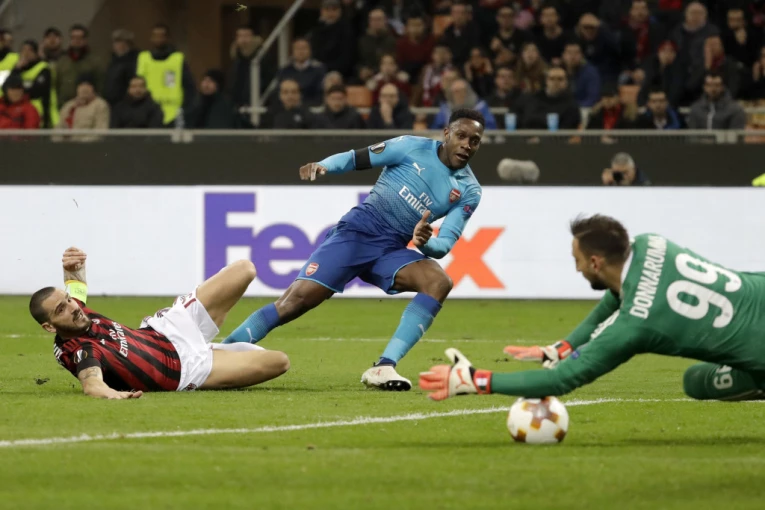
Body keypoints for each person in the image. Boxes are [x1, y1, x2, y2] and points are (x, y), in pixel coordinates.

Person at [223, 109, 486, 391]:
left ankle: (384, 366)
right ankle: (221, 352)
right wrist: (324, 165)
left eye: (474, 141)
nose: (466, 145)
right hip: (357, 233)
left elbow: (443, 245)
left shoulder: (469, 190)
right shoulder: (411, 147)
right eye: (461, 136)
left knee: (438, 282)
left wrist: (425, 242)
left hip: (391, 249)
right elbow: (356, 158)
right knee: (295, 302)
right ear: (446, 134)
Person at [420, 214, 765, 402]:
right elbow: (617, 294)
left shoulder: (636, 326)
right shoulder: (651, 243)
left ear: (596, 262)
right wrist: (563, 347)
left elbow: (561, 379)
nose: (577, 268)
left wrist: (477, 380)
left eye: (578, 261)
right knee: (696, 382)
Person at [30, 247, 290, 399]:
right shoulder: (80, 350)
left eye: (68, 300)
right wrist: (113, 394)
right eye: (61, 309)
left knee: (245, 269)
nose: (73, 307)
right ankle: (219, 352)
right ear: (49, 327)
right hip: (185, 370)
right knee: (279, 362)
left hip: (168, 329)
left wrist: (72, 267)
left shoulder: (77, 311)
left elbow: (75, 285)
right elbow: (91, 383)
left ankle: (223, 347)